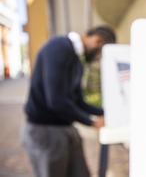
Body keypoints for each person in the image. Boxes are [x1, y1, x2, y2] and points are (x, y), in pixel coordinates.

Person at [22, 26, 116, 177]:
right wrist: (91, 122)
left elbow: (78, 101)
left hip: (66, 128)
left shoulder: (76, 59)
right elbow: (56, 101)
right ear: (98, 41)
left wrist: (108, 112)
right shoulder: (59, 47)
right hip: (46, 131)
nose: (97, 57)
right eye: (99, 53)